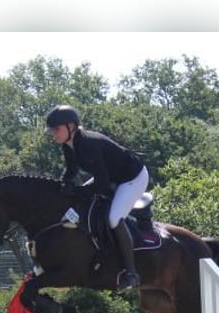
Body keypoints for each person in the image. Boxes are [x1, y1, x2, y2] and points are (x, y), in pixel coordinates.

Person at [45, 104, 149, 291]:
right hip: (112, 176)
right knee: (78, 203)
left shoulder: (88, 144)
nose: (54, 133)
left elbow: (102, 184)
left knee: (113, 218)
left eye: (56, 129)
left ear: (71, 126)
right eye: (52, 130)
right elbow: (71, 170)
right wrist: (62, 184)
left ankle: (131, 272)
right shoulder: (69, 144)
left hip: (132, 178)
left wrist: (77, 192)